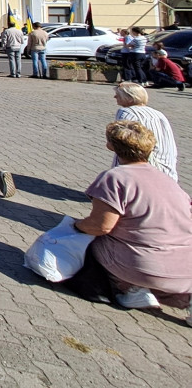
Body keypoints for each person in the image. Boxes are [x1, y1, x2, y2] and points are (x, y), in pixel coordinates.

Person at [63, 120, 192, 320]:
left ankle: (131, 289)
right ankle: (183, 298)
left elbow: (101, 226)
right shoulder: (169, 182)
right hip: (186, 269)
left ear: (111, 146)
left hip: (144, 266)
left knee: (92, 242)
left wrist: (75, 226)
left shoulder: (115, 178)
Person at [109, 82, 178, 180]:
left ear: (129, 98)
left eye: (118, 94)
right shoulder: (158, 113)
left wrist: (111, 144)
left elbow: (122, 141)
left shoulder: (127, 112)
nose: (115, 96)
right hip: (166, 167)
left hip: (144, 168)